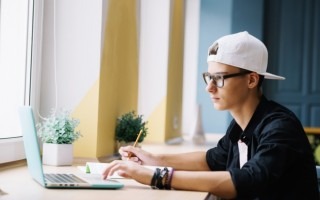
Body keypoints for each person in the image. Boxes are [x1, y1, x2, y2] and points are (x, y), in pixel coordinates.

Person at [102, 31, 319, 199]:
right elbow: (212, 160)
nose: (210, 88)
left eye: (220, 78)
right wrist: (153, 160)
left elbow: (247, 181)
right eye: (209, 77)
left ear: (252, 80)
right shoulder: (240, 126)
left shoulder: (280, 127)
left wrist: (157, 177)